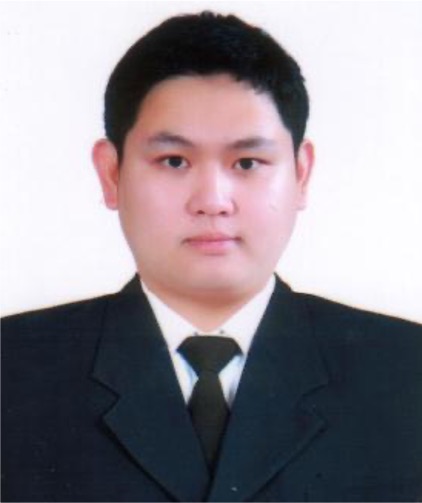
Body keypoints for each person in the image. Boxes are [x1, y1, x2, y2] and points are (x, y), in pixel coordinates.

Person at [1, 11, 421, 503]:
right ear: (111, 173)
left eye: (247, 162)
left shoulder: (406, 372)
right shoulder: (14, 369)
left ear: (301, 173)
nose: (213, 201)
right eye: (174, 161)